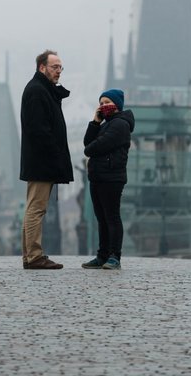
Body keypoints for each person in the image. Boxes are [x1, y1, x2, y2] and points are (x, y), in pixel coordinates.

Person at [19, 50, 73, 270]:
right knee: (36, 208)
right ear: (42, 67)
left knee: (34, 207)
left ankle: (30, 255)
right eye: (54, 67)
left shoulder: (43, 90)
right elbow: (39, 130)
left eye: (60, 67)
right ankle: (34, 255)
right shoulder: (36, 91)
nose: (58, 71)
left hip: (41, 160)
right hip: (42, 162)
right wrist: (54, 154)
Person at [81, 88, 135, 270]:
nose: (103, 106)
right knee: (101, 218)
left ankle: (114, 256)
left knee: (111, 217)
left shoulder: (120, 125)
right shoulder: (105, 124)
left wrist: (91, 147)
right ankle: (102, 255)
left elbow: (92, 148)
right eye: (101, 103)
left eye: (107, 102)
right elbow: (87, 142)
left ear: (117, 105)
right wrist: (95, 122)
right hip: (97, 176)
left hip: (112, 177)